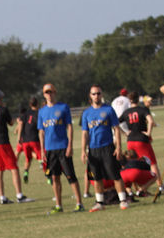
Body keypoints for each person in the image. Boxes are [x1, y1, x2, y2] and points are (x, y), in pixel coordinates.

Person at [80, 85, 130, 211]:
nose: (96, 96)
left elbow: (116, 129)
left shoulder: (108, 110)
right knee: (96, 177)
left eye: (98, 93)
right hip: (93, 149)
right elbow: (85, 133)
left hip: (107, 147)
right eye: (94, 94)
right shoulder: (86, 113)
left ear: (101, 95)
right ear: (90, 96)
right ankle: (100, 203)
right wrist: (83, 150)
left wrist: (118, 147)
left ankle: (123, 200)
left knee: (115, 175)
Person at [37, 83, 85, 214]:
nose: (49, 94)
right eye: (46, 92)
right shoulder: (42, 111)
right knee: (55, 177)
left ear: (55, 92)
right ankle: (58, 205)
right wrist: (42, 150)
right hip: (50, 149)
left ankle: (79, 203)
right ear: (44, 95)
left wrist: (70, 145)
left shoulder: (63, 107)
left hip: (63, 147)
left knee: (70, 176)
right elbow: (41, 132)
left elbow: (69, 127)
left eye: (51, 92)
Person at [0, 89, 30, 205]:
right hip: (3, 142)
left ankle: (2, 197)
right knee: (14, 168)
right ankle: (19, 195)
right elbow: (11, 123)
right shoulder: (3, 109)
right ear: (1, 98)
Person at [119, 94, 160, 181]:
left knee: (132, 165)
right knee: (152, 163)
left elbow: (115, 123)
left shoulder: (126, 112)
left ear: (129, 100)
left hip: (130, 141)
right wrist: (148, 133)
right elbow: (151, 121)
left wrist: (124, 133)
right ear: (138, 100)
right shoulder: (142, 110)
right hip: (142, 140)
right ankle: (160, 185)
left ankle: (135, 186)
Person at [15, 96, 45, 184]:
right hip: (34, 139)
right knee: (43, 158)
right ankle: (48, 176)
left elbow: (20, 124)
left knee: (28, 159)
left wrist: (19, 138)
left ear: (30, 104)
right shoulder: (39, 113)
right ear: (37, 104)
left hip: (25, 141)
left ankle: (25, 172)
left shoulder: (26, 113)